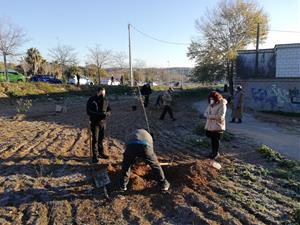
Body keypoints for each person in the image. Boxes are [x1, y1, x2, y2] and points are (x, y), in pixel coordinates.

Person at [86, 87, 111, 163]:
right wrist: (99, 114)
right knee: (95, 139)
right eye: (101, 93)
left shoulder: (106, 100)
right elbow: (88, 111)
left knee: (101, 138)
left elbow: (109, 109)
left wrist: (107, 114)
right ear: (98, 92)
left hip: (103, 122)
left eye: (104, 93)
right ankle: (95, 156)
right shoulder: (92, 100)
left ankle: (101, 153)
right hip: (94, 122)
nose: (103, 94)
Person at [204, 91, 227, 159]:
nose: (211, 100)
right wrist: (208, 115)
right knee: (212, 139)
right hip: (210, 125)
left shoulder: (222, 104)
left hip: (218, 125)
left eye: (212, 99)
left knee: (216, 140)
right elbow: (205, 112)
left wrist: (209, 116)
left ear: (216, 98)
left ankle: (216, 153)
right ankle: (213, 152)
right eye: (210, 99)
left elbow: (220, 116)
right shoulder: (211, 104)